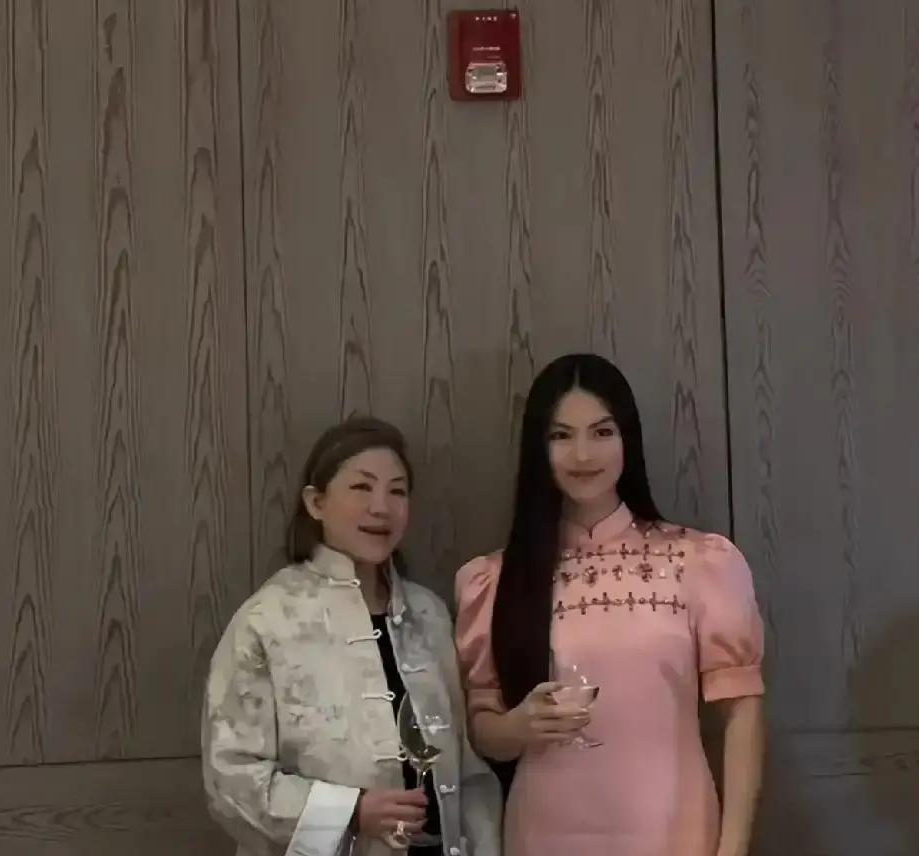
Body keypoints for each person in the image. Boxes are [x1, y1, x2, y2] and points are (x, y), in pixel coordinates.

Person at [454, 354, 765, 856]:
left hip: (675, 829)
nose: (583, 454)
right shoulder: (495, 579)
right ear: (538, 448)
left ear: (628, 439)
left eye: (601, 432)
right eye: (561, 436)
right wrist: (517, 726)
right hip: (545, 831)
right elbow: (483, 726)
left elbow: (741, 714)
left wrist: (732, 849)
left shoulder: (698, 562)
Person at [204, 417, 501, 856]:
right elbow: (230, 779)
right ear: (316, 502)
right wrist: (351, 812)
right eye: (362, 487)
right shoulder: (268, 620)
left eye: (397, 491)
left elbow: (467, 767)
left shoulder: (429, 615)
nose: (381, 507)